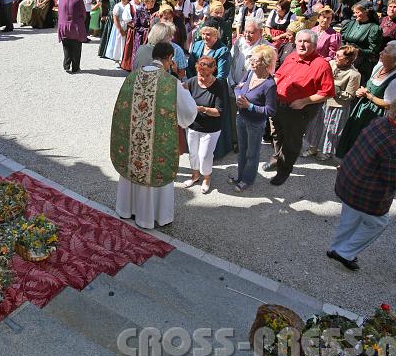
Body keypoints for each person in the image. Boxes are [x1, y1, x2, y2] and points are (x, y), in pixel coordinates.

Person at [328, 92, 396, 271]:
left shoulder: (379, 122)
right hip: (366, 194)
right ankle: (345, 252)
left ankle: (335, 248)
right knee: (377, 223)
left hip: (348, 181)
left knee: (349, 218)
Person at [112, 42, 198, 229]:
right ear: (169, 58)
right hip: (156, 142)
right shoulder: (170, 83)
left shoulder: (133, 76)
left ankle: (127, 209)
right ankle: (152, 217)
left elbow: (122, 108)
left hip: (133, 141)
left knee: (133, 168)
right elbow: (189, 112)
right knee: (153, 170)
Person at [264, 29, 335, 185]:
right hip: (278, 104)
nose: (302, 44)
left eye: (306, 41)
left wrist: (304, 101)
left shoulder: (321, 65)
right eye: (300, 41)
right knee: (277, 134)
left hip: (297, 110)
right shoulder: (292, 56)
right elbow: (279, 75)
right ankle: (277, 158)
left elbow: (328, 92)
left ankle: (284, 171)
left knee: (291, 141)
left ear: (315, 45)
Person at [336, 40, 396, 158]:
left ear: (393, 57)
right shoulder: (379, 66)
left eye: (385, 51)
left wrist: (369, 96)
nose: (380, 52)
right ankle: (347, 161)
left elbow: (388, 104)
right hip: (362, 107)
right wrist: (361, 91)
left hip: (374, 114)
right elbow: (368, 86)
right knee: (353, 134)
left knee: (364, 140)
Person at [230, 45, 277, 192]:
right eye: (251, 58)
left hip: (255, 124)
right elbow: (238, 87)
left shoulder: (269, 85)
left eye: (255, 60)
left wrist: (249, 106)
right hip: (241, 118)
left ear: (265, 64)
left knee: (252, 153)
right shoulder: (250, 73)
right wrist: (239, 96)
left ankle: (247, 180)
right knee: (242, 151)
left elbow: (270, 111)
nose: (251, 62)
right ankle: (240, 177)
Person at [302, 45, 361, 160]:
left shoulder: (354, 74)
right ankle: (313, 148)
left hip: (338, 105)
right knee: (316, 125)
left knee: (332, 130)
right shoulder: (331, 64)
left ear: (348, 60)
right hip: (323, 100)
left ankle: (326, 152)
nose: (335, 57)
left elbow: (349, 96)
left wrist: (333, 88)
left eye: (339, 56)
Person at [181, 56, 227, 194]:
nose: (202, 78)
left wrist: (203, 109)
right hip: (193, 126)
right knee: (193, 154)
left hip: (211, 129)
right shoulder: (192, 81)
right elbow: (181, 93)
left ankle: (206, 177)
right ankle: (195, 175)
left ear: (213, 70)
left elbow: (219, 111)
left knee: (204, 155)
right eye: (200, 74)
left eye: (206, 75)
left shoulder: (218, 86)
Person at [341, 3, 383, 84]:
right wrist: (343, 49)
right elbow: (342, 38)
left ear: (366, 12)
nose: (354, 15)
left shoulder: (374, 28)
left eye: (357, 12)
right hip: (346, 58)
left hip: (362, 63)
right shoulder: (351, 24)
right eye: (354, 12)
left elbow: (373, 51)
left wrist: (358, 51)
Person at [57, 0, 87, 74]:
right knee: (76, 48)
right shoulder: (79, 1)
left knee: (66, 47)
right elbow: (84, 14)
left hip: (63, 27)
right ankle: (75, 67)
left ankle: (66, 65)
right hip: (75, 27)